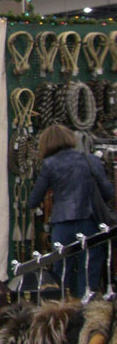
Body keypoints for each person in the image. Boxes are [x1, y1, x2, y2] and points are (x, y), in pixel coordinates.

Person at [27, 124, 114, 297]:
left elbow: (33, 201)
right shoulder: (91, 160)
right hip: (90, 222)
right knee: (89, 272)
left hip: (62, 225)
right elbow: (108, 193)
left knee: (62, 273)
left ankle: (62, 308)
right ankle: (86, 306)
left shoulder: (49, 164)